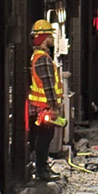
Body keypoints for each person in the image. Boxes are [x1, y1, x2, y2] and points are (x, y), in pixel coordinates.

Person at [29, 19, 65, 181]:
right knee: (44, 138)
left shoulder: (37, 56)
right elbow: (48, 85)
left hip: (40, 107)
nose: (52, 38)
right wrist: (54, 107)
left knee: (43, 138)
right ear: (43, 37)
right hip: (44, 108)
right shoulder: (43, 59)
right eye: (50, 35)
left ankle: (41, 167)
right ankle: (41, 170)